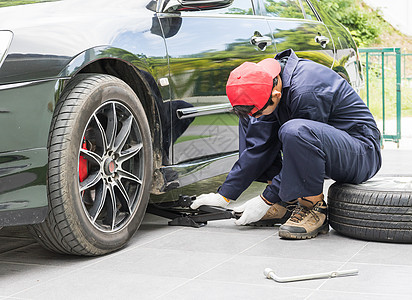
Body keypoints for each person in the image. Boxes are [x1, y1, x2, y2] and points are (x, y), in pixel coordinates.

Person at [190, 48, 382, 239]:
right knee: (251, 119)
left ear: (275, 95)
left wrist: (266, 198)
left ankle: (313, 207)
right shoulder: (269, 80)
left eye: (259, 110)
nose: (256, 115)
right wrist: (224, 196)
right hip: (324, 149)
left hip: (361, 153)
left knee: (295, 131)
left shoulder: (307, 90)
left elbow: (303, 153)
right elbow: (259, 146)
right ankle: (286, 203)